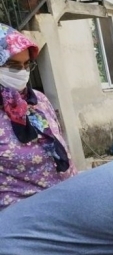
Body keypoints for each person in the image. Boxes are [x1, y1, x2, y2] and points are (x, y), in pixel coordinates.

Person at [0, 23, 76, 209]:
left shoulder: (38, 100)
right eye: (12, 66)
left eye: (27, 65)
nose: (22, 72)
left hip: (66, 203)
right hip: (21, 217)